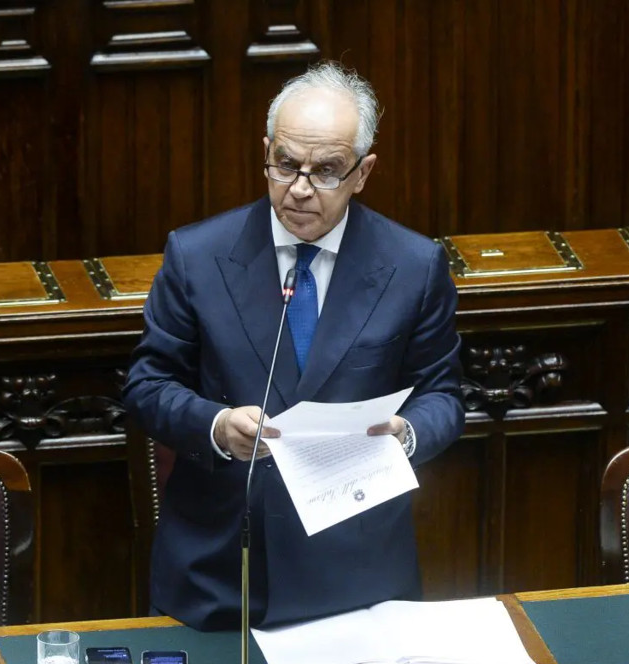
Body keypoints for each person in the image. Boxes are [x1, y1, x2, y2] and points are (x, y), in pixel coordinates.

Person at [123, 61, 464, 631]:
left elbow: (444, 397)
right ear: (266, 152)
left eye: (326, 171)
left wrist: (404, 435)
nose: (301, 189)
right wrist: (216, 426)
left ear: (362, 172)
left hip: (356, 573)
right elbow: (147, 385)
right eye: (286, 165)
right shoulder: (196, 256)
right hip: (220, 573)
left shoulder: (413, 265)